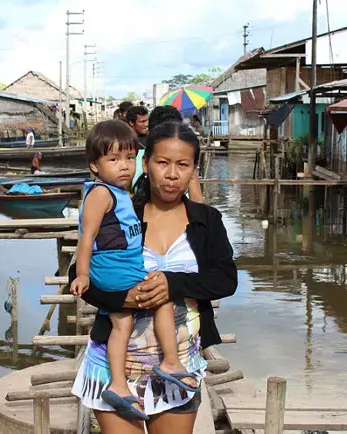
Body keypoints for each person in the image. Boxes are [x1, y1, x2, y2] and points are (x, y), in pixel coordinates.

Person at [71, 121, 237, 434]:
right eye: (162, 163)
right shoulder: (122, 210)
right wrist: (122, 298)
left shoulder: (206, 220)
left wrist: (173, 284)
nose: (172, 175)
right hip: (115, 365)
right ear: (145, 165)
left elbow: (226, 280)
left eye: (183, 165)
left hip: (177, 366)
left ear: (193, 170)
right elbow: (78, 274)